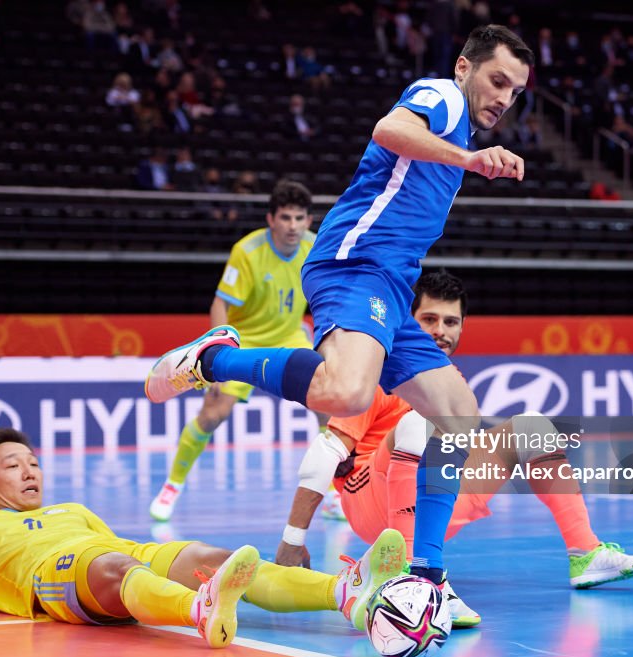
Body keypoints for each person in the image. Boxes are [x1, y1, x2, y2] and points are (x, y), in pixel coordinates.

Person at [146, 24, 532, 589]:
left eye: (516, 92)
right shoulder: (443, 98)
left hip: (395, 287)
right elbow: (389, 128)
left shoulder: (463, 131)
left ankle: (425, 575)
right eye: (497, 80)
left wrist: (465, 158)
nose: (504, 98)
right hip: (354, 265)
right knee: (347, 392)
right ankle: (213, 360)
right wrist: (469, 162)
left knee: (458, 417)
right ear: (464, 68)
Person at [274, 272, 633, 627]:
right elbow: (325, 454)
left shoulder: (447, 383)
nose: (440, 331)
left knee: (532, 429)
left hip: (429, 492)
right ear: (409, 320)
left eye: (450, 322)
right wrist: (293, 542)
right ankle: (417, 577)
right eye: (429, 319)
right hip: (372, 502)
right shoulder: (379, 372)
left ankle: (586, 554)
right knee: (417, 424)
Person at [0, 428, 406, 647]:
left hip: (112, 550)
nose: (30, 471)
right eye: (13, 466)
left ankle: (348, 596)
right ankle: (201, 611)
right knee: (112, 571)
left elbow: (118, 547)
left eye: (33, 462)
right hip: (50, 576)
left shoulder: (71, 507)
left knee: (211, 556)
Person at [150, 179, 324, 521]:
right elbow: (220, 305)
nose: (293, 226)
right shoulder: (247, 252)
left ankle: (331, 492)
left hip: (289, 335)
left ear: (308, 221)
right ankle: (172, 485)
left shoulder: (314, 247)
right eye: (286, 218)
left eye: (299, 219)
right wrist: (214, 355)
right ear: (271, 219)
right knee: (214, 413)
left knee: (330, 405)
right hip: (245, 340)